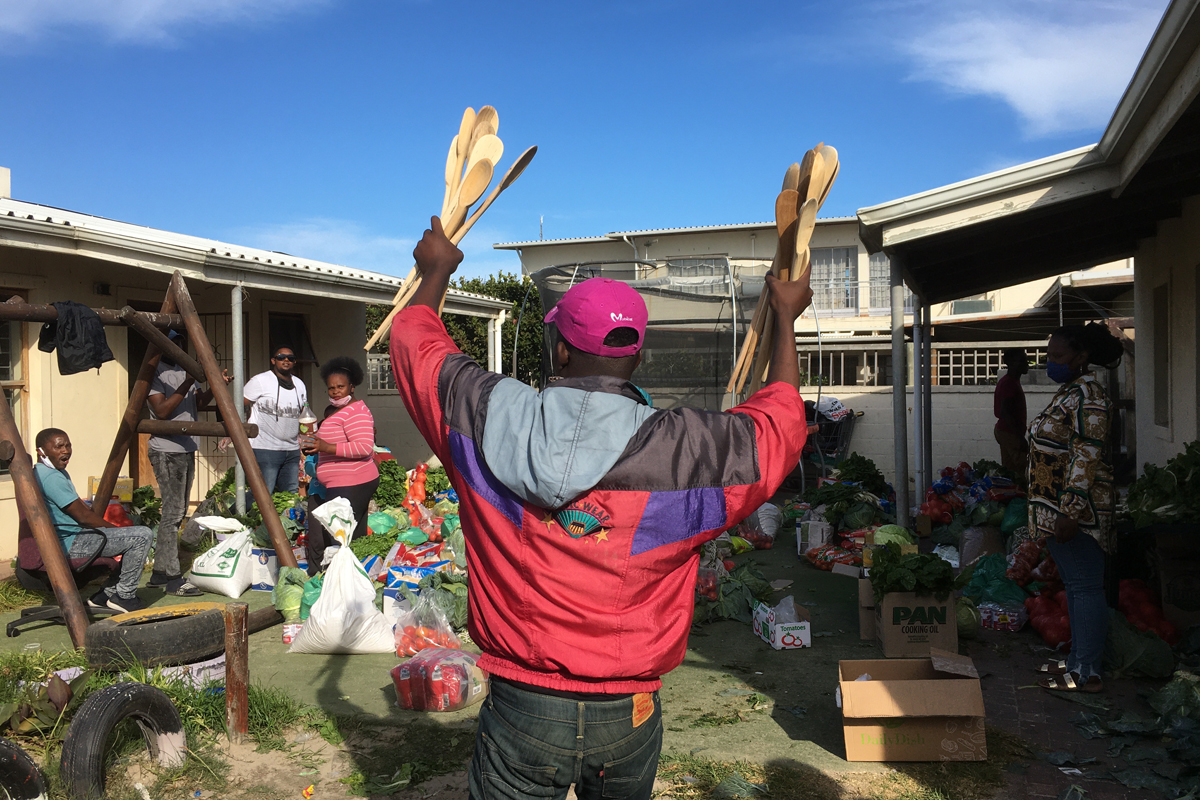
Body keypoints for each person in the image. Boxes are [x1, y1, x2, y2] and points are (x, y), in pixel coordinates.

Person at [391, 217, 810, 800]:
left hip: (521, 706)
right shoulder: (687, 448)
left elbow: (419, 348)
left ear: (560, 348)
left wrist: (434, 271)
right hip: (628, 714)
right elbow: (780, 425)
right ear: (636, 357)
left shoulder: (488, 415)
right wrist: (786, 318)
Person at [1030, 323, 1124, 694]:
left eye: (1057, 356)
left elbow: (1086, 455)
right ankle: (1076, 662)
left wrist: (1069, 510)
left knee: (1084, 587)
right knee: (1076, 585)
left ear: (1081, 357)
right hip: (1059, 510)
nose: (1050, 362)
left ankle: (1087, 671)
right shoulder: (1071, 392)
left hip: (1079, 514)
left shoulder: (1090, 396)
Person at [33, 428, 155, 613]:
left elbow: (80, 510)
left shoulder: (50, 472)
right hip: (70, 543)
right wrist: (114, 531)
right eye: (59, 446)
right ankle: (124, 596)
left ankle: (105, 595)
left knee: (132, 536)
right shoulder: (50, 477)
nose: (66, 451)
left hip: (71, 537)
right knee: (142, 535)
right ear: (41, 451)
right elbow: (82, 517)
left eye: (68, 445)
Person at [145, 333, 230, 597]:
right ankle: (172, 578)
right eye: (172, 343)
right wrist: (189, 382)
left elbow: (197, 404)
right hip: (167, 451)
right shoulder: (154, 372)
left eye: (181, 343)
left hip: (187, 448)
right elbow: (162, 411)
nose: (178, 348)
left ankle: (159, 573)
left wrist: (216, 387)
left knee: (177, 512)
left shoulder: (183, 369)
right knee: (172, 515)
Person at [301, 356, 378, 568]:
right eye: (331, 388)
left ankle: (341, 586)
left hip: (352, 482)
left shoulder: (355, 412)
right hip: (341, 483)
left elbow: (363, 447)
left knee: (339, 538)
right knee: (351, 537)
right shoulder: (340, 412)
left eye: (340, 387)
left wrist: (326, 447)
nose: (335, 391)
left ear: (352, 387)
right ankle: (353, 583)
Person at [244, 345, 307, 494]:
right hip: (265, 449)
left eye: (290, 358)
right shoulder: (260, 380)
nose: (286, 360)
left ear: (294, 362)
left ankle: (284, 518)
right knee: (262, 494)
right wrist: (235, 431)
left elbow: (305, 414)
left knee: (289, 495)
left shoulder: (299, 384)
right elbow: (239, 404)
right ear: (273, 361)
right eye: (281, 357)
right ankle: (235, 516)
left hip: (291, 450)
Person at [993, 347, 1029, 477]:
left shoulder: (1010, 382)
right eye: (1022, 361)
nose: (1026, 364)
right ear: (1012, 363)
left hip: (1005, 431)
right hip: (1009, 432)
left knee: (1010, 470)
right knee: (1023, 468)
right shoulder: (1009, 384)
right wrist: (1019, 438)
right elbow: (1005, 412)